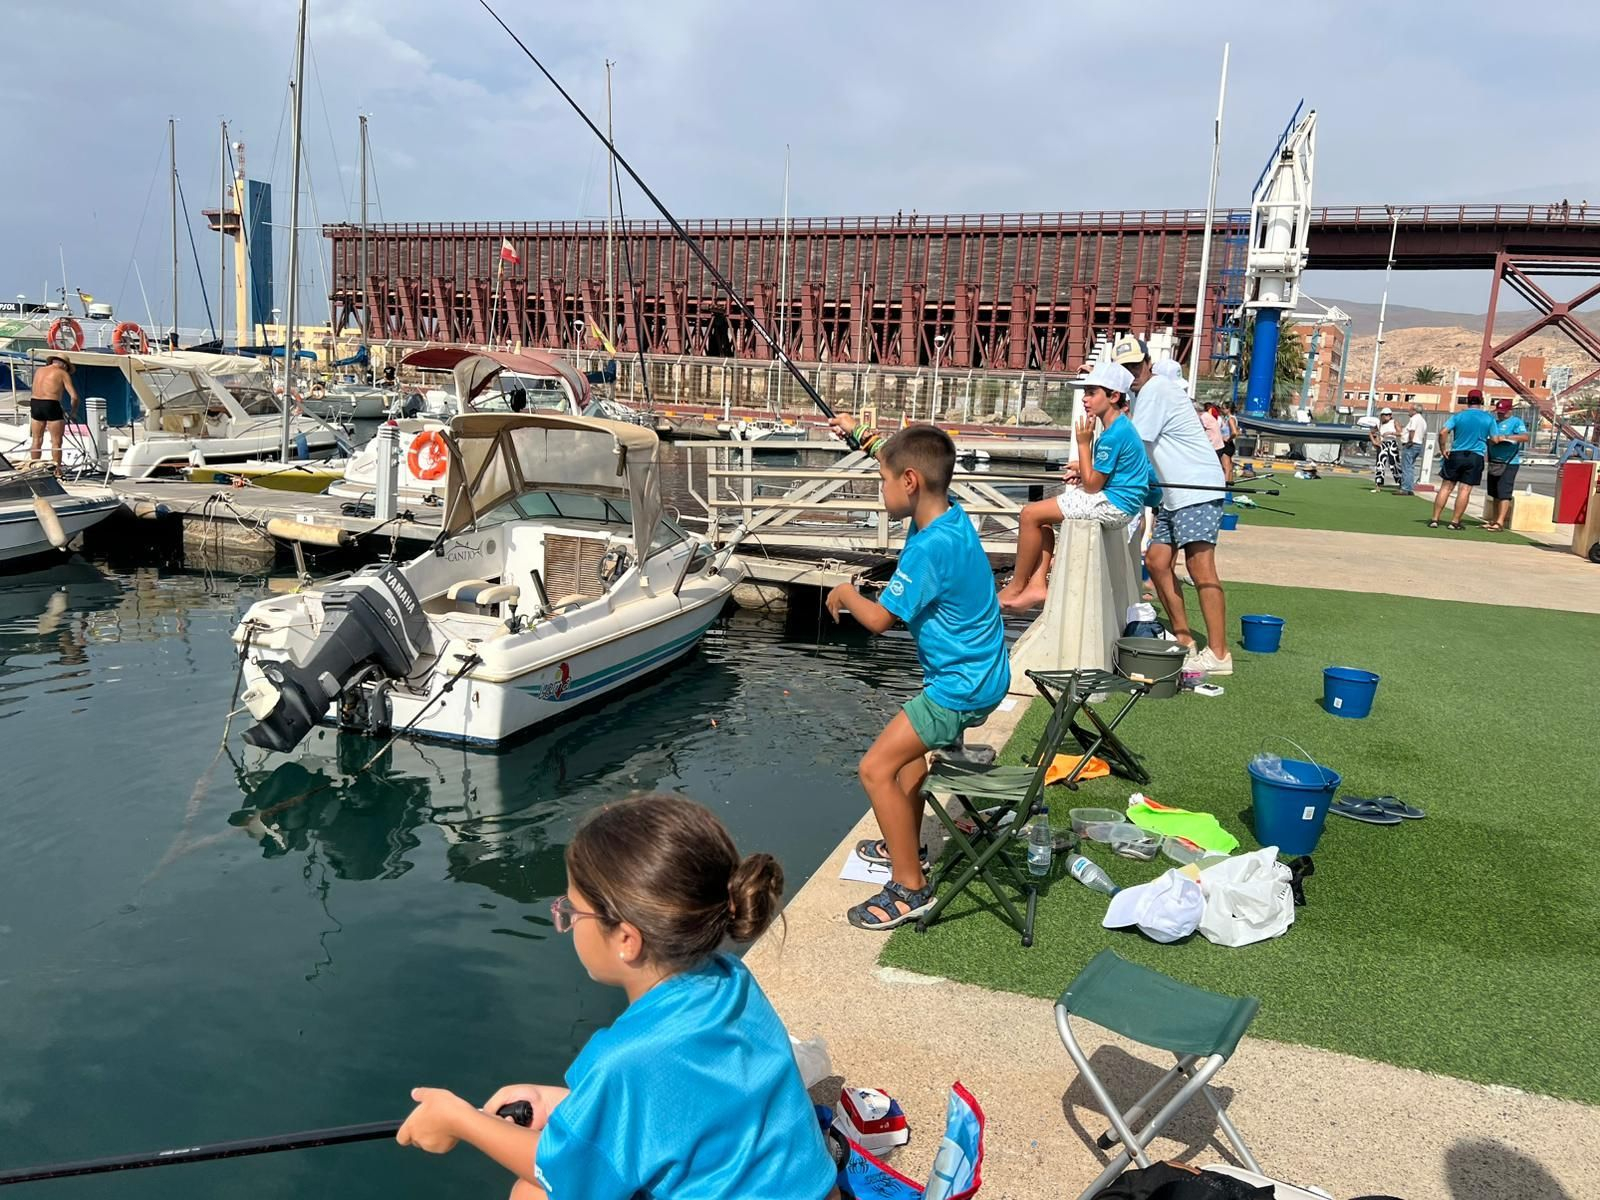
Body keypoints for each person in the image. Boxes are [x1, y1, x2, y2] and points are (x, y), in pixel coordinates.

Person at [395, 794, 840, 1200]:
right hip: (818, 1190)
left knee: (531, 1196)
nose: (565, 919)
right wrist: (552, 1101)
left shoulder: (626, 1059)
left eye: (571, 910)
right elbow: (682, 1099)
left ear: (626, 939)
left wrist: (461, 1121)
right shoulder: (730, 980)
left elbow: (562, 1176)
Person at [822, 419, 1010, 930]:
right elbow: (900, 456)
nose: (880, 490)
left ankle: (910, 887)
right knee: (906, 767)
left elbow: (881, 621)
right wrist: (861, 437)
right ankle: (905, 843)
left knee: (874, 769)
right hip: (983, 670)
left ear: (908, 483)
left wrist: (844, 593)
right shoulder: (949, 515)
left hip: (959, 686)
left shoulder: (929, 548)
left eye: (883, 481)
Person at [1113, 336, 1233, 676]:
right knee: (1156, 560)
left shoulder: (1156, 390)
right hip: (1173, 495)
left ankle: (1220, 655)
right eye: (1124, 369)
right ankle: (1183, 638)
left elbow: (1134, 442)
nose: (1131, 373)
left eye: (1135, 365)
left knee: (1200, 567)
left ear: (1148, 362)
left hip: (1196, 488)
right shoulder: (1142, 394)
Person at [998, 361, 1153, 611]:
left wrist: (1083, 443)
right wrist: (1083, 470)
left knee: (1029, 514)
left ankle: (1017, 586)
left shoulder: (1112, 435)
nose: (1085, 399)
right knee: (1041, 520)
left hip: (1114, 506)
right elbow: (1115, 472)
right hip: (1123, 503)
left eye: (1092, 392)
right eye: (1085, 393)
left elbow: (1093, 487)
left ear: (1113, 396)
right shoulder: (1122, 427)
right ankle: (1037, 583)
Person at [1429, 388, 1499, 530]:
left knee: (1446, 487)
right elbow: (1495, 439)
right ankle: (1454, 522)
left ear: (1467, 401)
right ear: (1482, 401)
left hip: (1456, 453)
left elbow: (1443, 432)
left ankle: (1435, 519)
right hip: (1475, 455)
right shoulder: (1488, 418)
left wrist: (1443, 449)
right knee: (1465, 490)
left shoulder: (1459, 416)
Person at [1484, 397, 1530, 531]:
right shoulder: (1494, 423)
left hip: (1509, 462)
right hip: (1495, 461)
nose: (1500, 414)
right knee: (1494, 492)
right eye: (1499, 412)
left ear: (1510, 411)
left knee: (1504, 492)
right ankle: (1493, 519)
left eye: (1503, 412)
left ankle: (1500, 521)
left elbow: (1525, 437)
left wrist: (1506, 438)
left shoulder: (1516, 422)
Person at [29, 354, 78, 468]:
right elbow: (74, 397)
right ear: (64, 365)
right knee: (56, 441)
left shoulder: (39, 370)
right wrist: (73, 412)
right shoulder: (62, 373)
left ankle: (33, 468)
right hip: (51, 404)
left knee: (37, 439)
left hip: (35, 403)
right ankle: (57, 471)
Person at [1369, 407, 1401, 491]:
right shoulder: (1379, 424)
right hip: (1382, 444)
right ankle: (1378, 484)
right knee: (1380, 463)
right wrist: (1374, 442)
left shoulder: (1394, 422)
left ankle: (1400, 483)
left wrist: (1391, 433)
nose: (1387, 416)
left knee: (1394, 464)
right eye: (1385, 415)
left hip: (1392, 443)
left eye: (1388, 415)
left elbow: (1400, 432)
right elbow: (1371, 433)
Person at [1399, 403, 1428, 495]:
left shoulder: (1414, 419)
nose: (1408, 411)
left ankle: (1405, 488)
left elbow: (1412, 430)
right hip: (1418, 444)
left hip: (1412, 444)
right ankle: (1409, 487)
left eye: (1410, 409)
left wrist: (1410, 441)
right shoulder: (1423, 421)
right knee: (1411, 467)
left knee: (1406, 466)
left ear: (1414, 410)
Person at [1218, 403, 1239, 481]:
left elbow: (1234, 432)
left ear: (1228, 409)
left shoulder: (1230, 419)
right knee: (1229, 467)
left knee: (1225, 468)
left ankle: (1225, 486)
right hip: (1229, 445)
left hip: (1226, 444)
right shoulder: (1228, 418)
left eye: (1223, 408)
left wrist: (1228, 439)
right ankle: (1229, 485)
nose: (1222, 410)